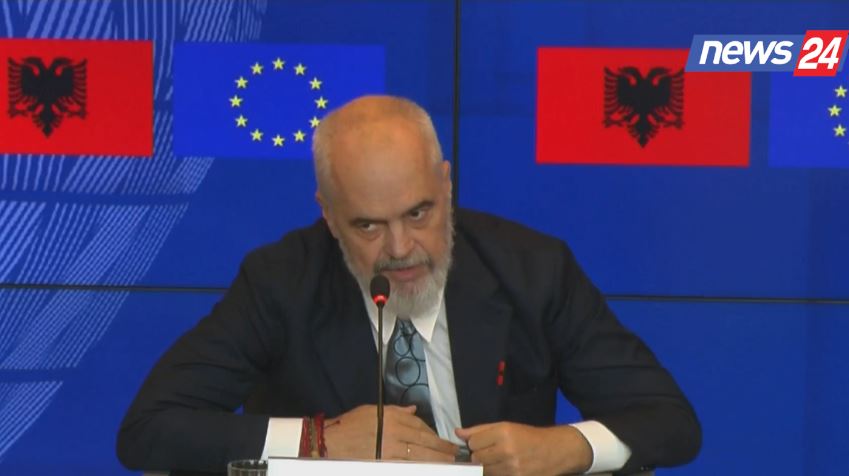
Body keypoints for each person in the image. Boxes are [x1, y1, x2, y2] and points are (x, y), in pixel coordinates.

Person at [117, 95, 700, 475]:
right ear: (329, 215)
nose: (400, 249)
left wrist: (566, 447)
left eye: (419, 213)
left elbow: (670, 420)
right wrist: (318, 441)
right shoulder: (280, 281)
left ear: (446, 186)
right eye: (367, 226)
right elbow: (148, 429)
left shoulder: (532, 268)